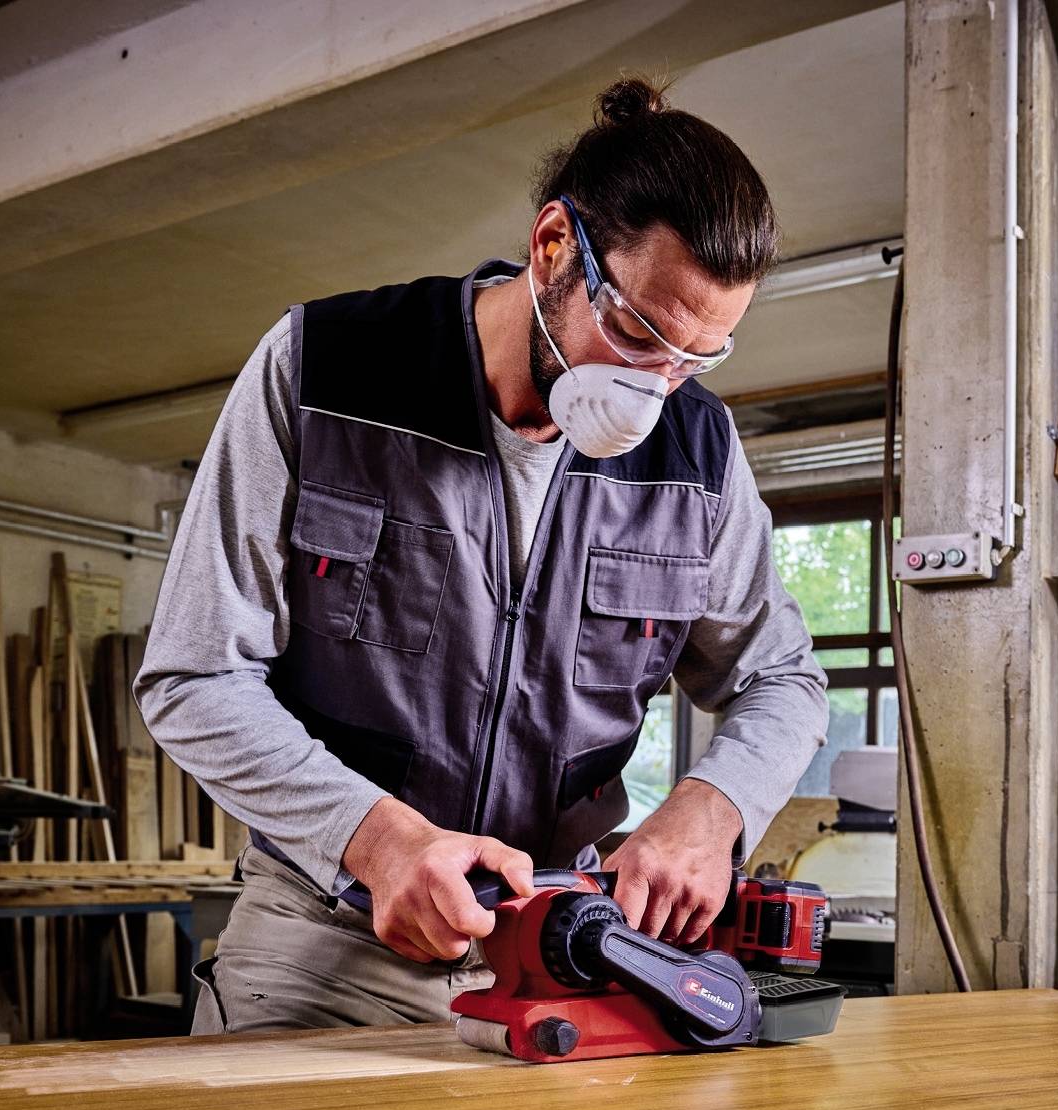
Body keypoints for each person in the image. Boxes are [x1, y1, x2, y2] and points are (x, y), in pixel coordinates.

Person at [134, 75, 827, 1034]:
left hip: (561, 951)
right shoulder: (326, 369)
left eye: (696, 360)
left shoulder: (698, 451)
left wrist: (712, 806)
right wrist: (374, 841)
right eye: (637, 333)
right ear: (553, 248)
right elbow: (194, 673)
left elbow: (785, 677)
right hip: (328, 942)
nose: (656, 389)